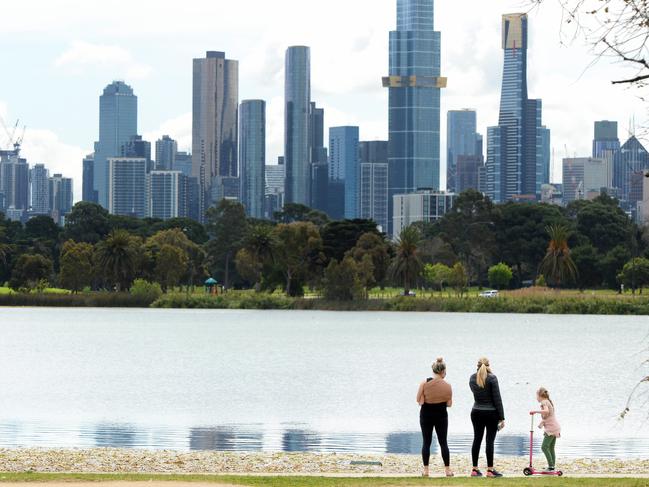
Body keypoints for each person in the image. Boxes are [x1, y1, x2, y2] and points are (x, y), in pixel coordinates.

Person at [416, 357, 453, 478]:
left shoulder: (424, 383)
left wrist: (427, 399)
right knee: (443, 442)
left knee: (426, 442)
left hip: (426, 414)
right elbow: (449, 404)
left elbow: (419, 401)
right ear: (443, 371)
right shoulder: (448, 385)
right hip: (441, 415)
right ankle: (447, 470)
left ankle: (426, 470)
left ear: (433, 370)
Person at [469, 357, 505, 478]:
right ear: (489, 365)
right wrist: (502, 417)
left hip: (476, 412)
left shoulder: (472, 378)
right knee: (489, 441)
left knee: (477, 439)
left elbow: (476, 395)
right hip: (491, 413)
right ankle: (490, 470)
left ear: (477, 365)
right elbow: (497, 399)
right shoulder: (492, 378)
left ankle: (474, 469)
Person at [530, 387, 561, 472]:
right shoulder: (547, 401)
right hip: (555, 427)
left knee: (544, 447)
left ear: (540, 395)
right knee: (551, 447)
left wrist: (535, 411)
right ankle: (552, 466)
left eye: (536, 396)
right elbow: (548, 416)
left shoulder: (544, 402)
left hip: (551, 428)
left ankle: (551, 466)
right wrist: (542, 423)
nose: (536, 398)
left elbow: (546, 412)